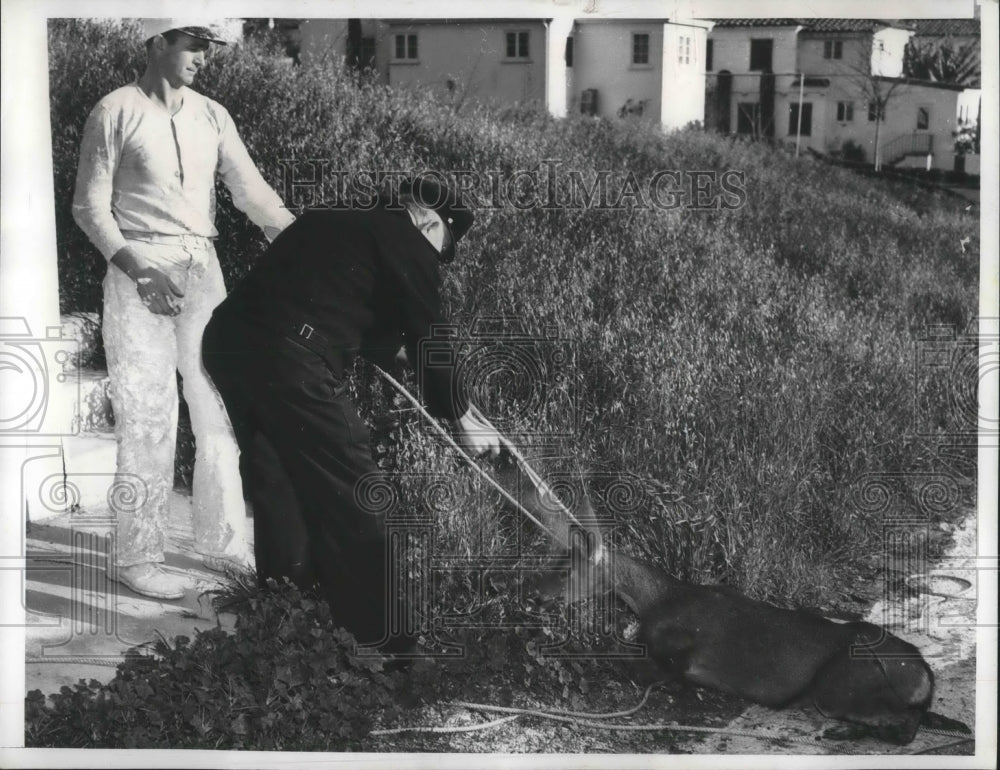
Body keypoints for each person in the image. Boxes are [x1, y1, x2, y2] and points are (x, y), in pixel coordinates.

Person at [201, 176, 500, 656]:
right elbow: (429, 335)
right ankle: (387, 649)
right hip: (289, 356)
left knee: (277, 477)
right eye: (442, 249)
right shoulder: (408, 237)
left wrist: (458, 400)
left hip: (227, 343)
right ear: (429, 221)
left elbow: (363, 321)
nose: (436, 261)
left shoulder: (339, 218)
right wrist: (461, 419)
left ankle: (285, 624)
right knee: (353, 486)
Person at [72, 19, 295, 599]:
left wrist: (302, 243)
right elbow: (89, 207)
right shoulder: (114, 110)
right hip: (139, 271)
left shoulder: (213, 115)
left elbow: (250, 191)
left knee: (218, 407)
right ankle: (136, 557)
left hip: (204, 270)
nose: (203, 57)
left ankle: (221, 548)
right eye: (193, 45)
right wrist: (138, 269)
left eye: (208, 48)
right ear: (157, 43)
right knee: (148, 414)